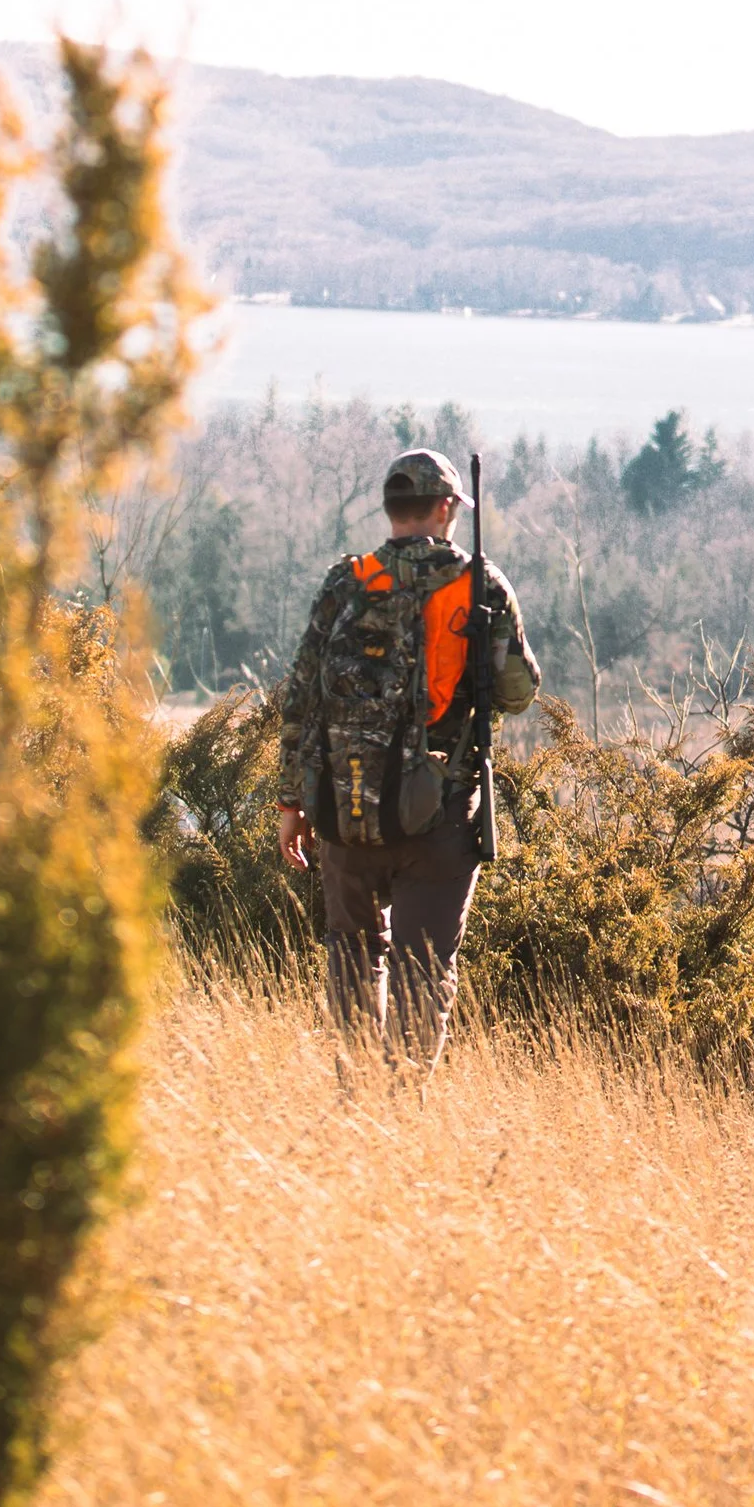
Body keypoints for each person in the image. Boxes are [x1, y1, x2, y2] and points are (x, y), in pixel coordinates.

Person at [275, 446, 540, 1067]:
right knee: (426, 968)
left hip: (345, 807)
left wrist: (292, 803)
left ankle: (356, 1095)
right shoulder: (482, 584)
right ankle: (401, 1106)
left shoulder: (348, 581)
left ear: (392, 509)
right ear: (447, 508)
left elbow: (301, 699)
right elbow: (519, 695)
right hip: (439, 815)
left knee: (351, 954)